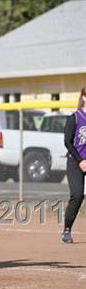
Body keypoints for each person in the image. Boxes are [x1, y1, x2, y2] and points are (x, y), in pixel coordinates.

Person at [61, 87, 86, 243]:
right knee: (77, 196)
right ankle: (66, 231)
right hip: (75, 162)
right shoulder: (75, 118)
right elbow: (67, 142)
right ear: (84, 97)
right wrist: (81, 161)